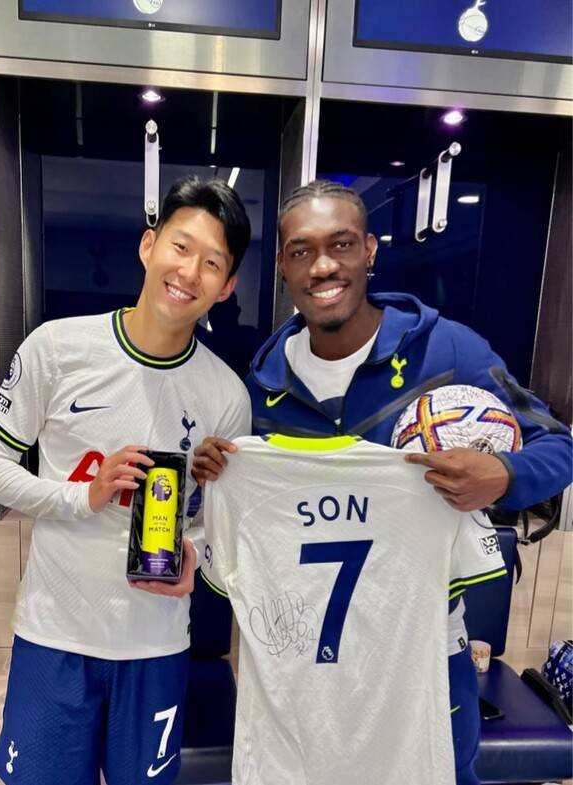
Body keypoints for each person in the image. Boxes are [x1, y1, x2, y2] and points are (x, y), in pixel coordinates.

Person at [192, 179, 573, 785]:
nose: (323, 266)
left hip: (423, 658)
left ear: (369, 250)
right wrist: (212, 472)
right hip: (305, 670)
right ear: (284, 268)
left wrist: (503, 475)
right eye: (301, 251)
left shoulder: (449, 352)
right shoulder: (262, 386)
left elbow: (558, 445)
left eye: (341, 244)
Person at [0, 176, 252, 785]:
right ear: (149, 246)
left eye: (212, 263)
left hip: (155, 648)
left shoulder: (226, 396)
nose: (190, 272)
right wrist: (86, 495)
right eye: (181, 247)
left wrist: (197, 555)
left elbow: (217, 526)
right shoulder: (57, 348)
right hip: (53, 637)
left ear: (228, 286)